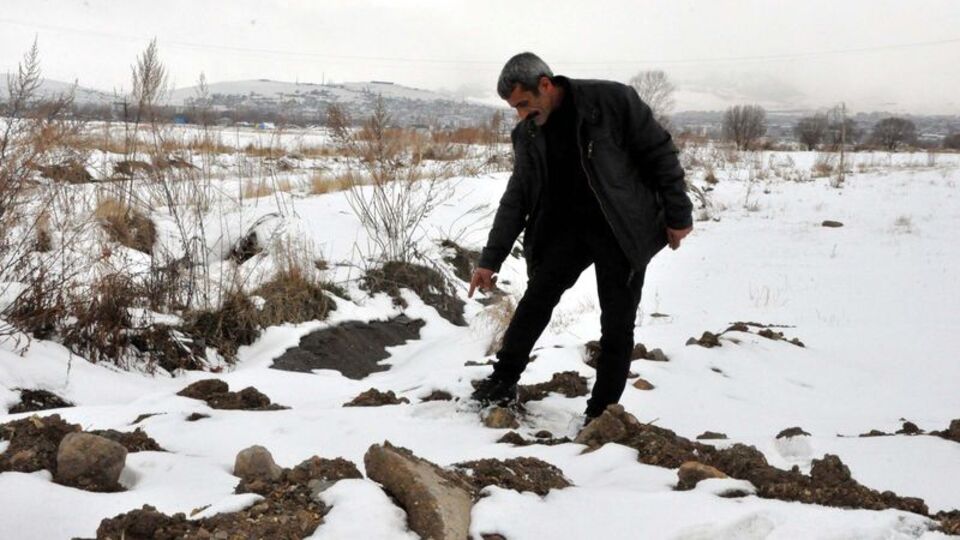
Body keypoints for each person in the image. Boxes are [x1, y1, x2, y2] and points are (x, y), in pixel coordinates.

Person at [468, 52, 693, 422]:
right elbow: (518, 195)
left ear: (546, 84)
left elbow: (660, 153)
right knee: (535, 301)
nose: (521, 114)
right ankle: (502, 381)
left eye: (524, 103)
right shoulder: (527, 132)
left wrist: (678, 213)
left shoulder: (610, 102)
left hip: (620, 228)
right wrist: (490, 260)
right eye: (514, 108)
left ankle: (601, 413)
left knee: (616, 323)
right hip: (566, 231)